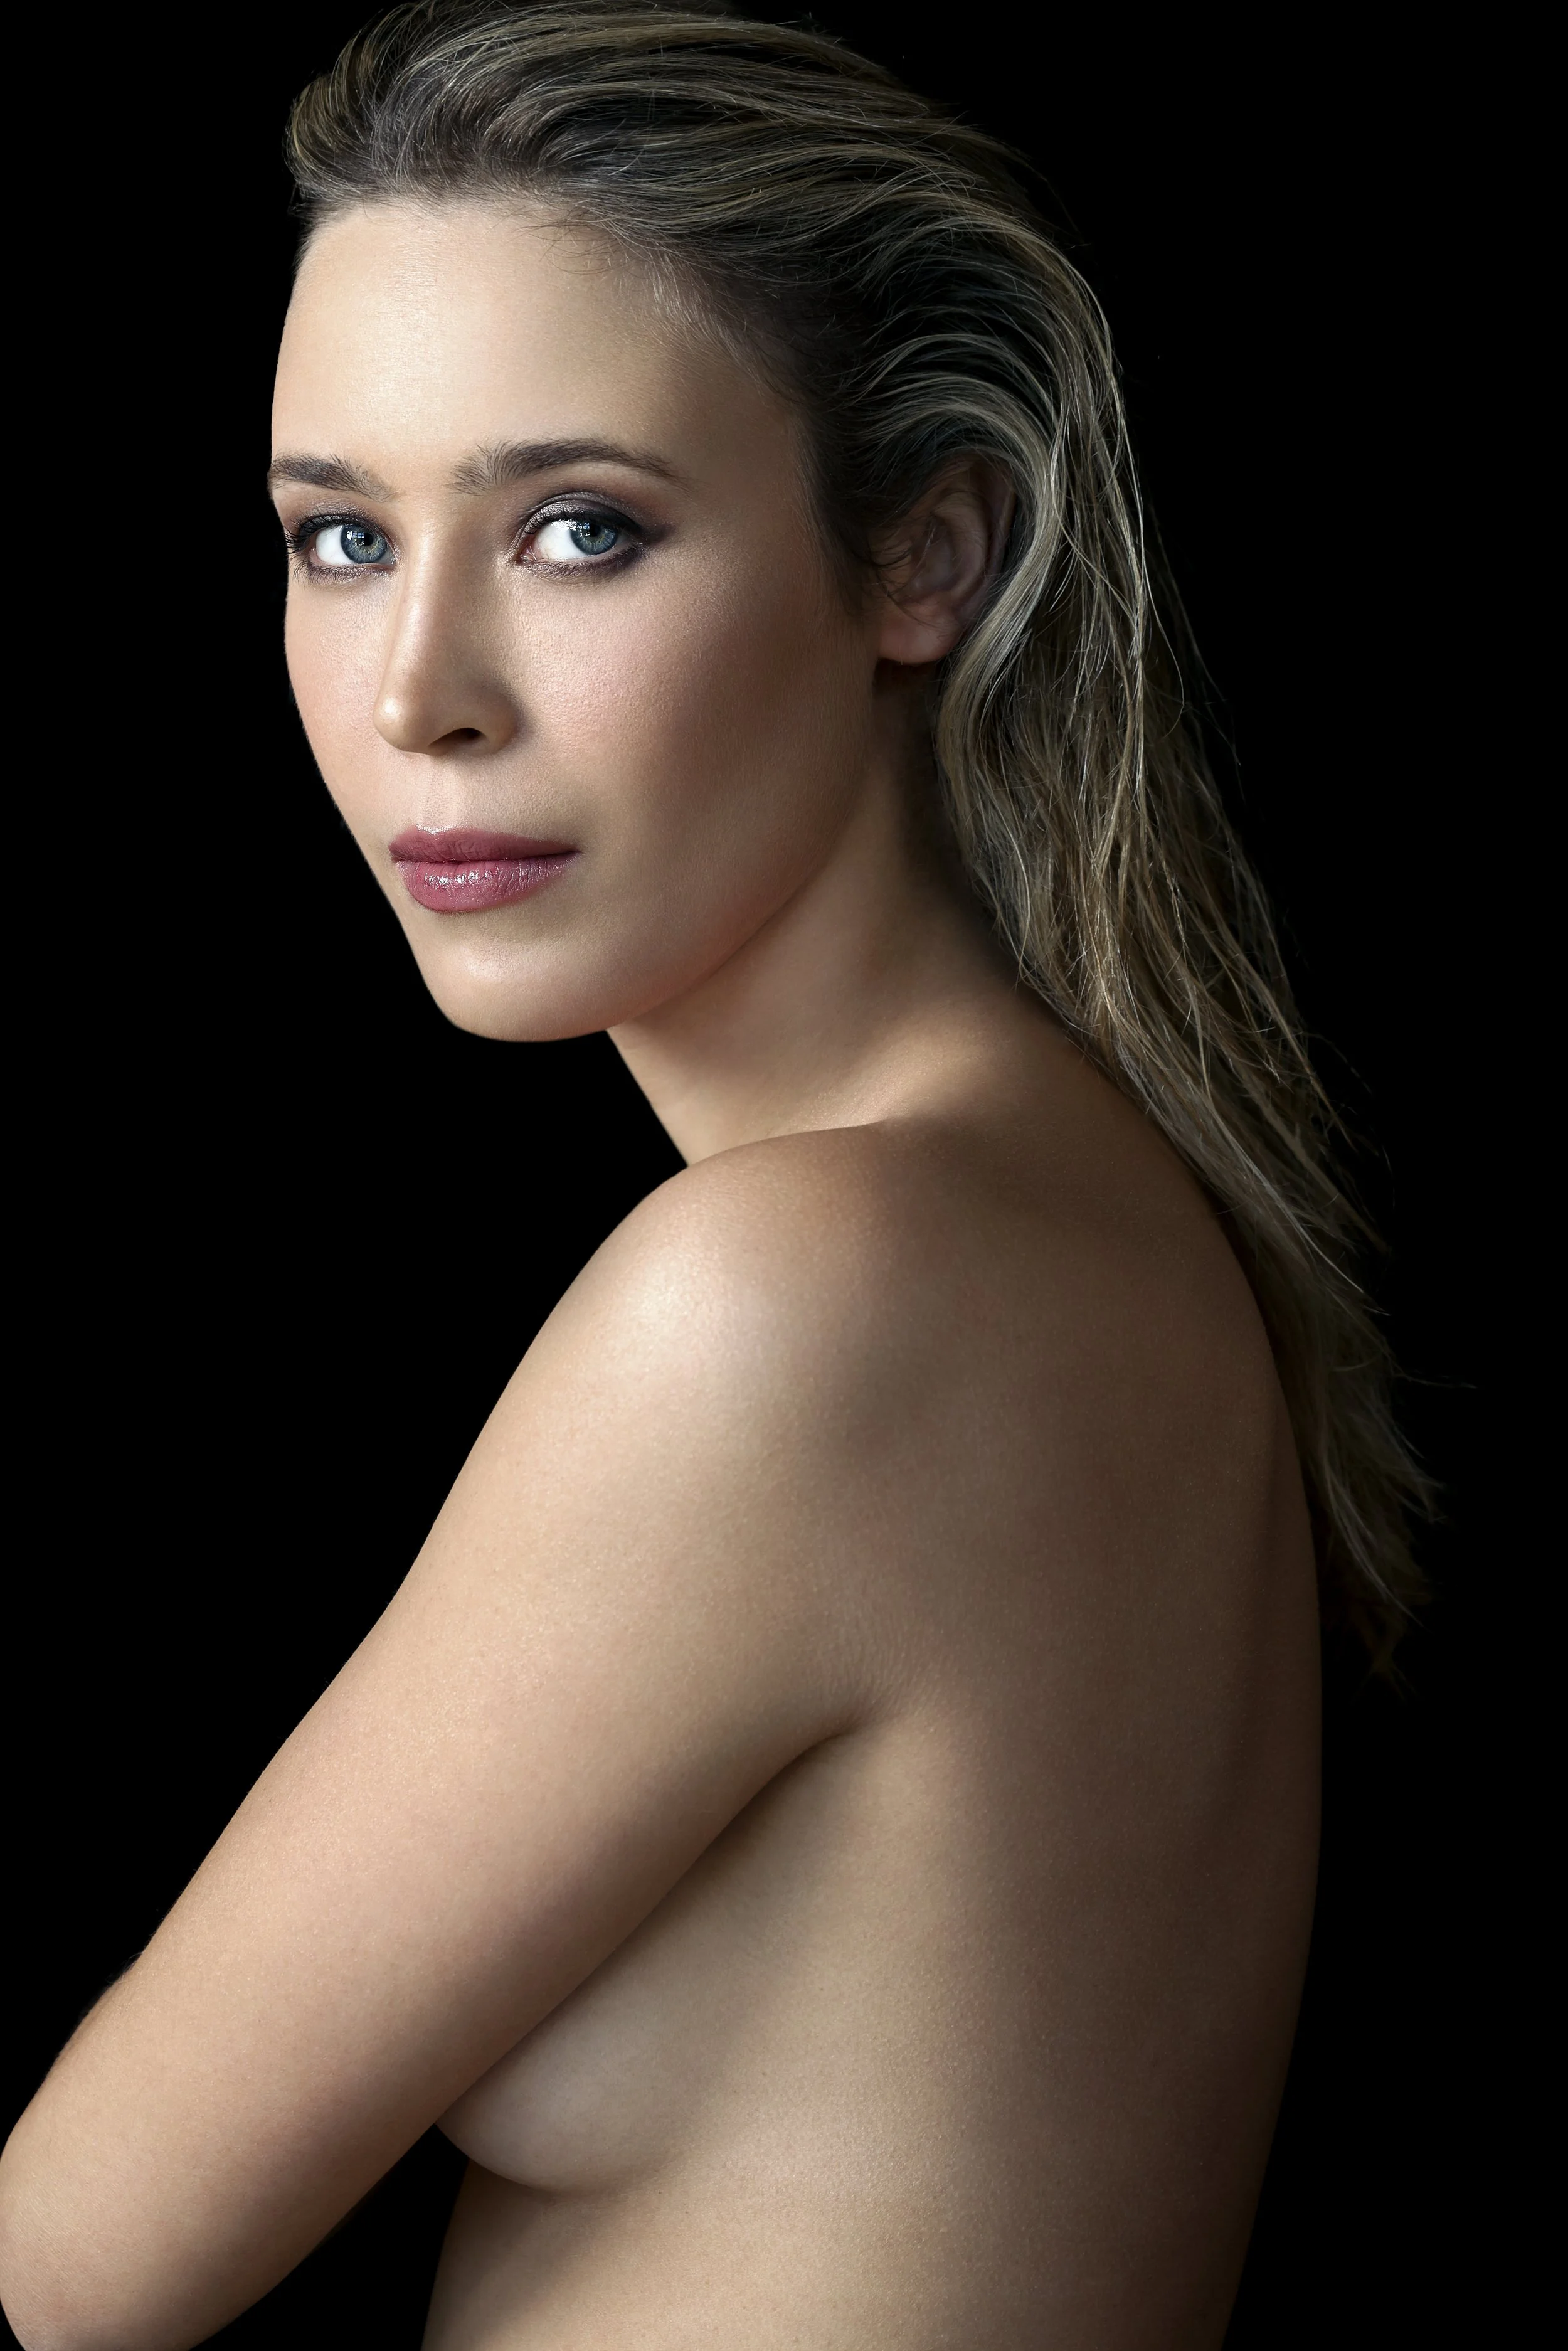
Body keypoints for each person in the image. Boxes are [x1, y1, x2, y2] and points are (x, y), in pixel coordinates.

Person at [0, 4, 1426, 2343]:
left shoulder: (794, 1297)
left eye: (579, 528)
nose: (416, 691)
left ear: (923, 558)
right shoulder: (1088, 1222)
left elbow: (81, 2253)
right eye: (339, 537)